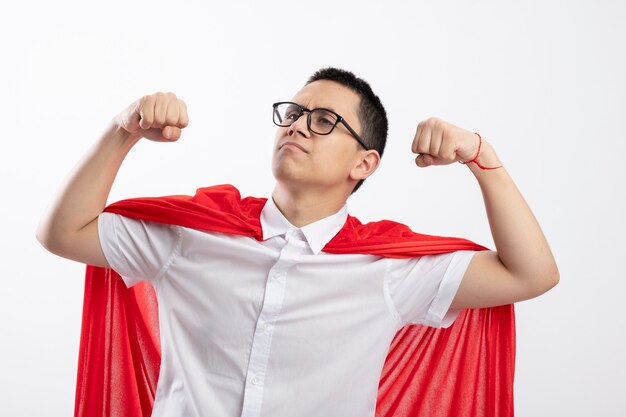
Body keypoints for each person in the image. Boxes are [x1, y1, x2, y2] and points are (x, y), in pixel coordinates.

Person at [36, 67, 559, 417]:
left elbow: (530, 274)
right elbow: (63, 233)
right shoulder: (192, 236)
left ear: (364, 164)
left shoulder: (388, 269)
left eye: (324, 121)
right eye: (292, 114)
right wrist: (122, 129)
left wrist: (479, 156)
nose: (298, 127)